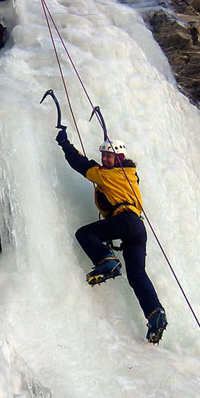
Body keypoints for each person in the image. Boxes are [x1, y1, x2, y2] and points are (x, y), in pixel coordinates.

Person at [56, 129, 167, 344]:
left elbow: (81, 164)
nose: (105, 159)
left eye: (110, 156)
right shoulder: (131, 174)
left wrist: (65, 144)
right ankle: (155, 313)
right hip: (138, 228)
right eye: (104, 156)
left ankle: (106, 261)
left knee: (84, 233)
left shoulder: (105, 173)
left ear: (119, 159)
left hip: (125, 220)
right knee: (137, 275)